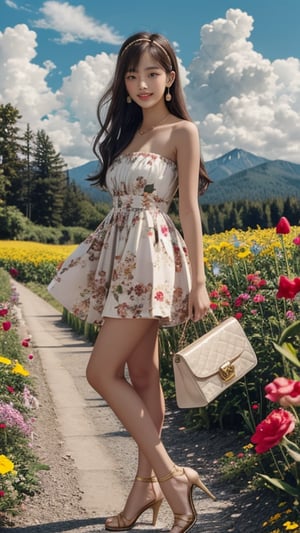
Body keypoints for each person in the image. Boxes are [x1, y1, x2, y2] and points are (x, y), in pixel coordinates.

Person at [48, 31, 215, 533]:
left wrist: (200, 281)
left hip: (151, 263)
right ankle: (144, 492)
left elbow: (188, 208)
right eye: (131, 74)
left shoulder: (182, 131)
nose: (141, 83)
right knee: (142, 377)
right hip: (121, 259)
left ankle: (171, 475)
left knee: (100, 372)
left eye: (152, 73)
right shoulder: (127, 136)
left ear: (170, 78)